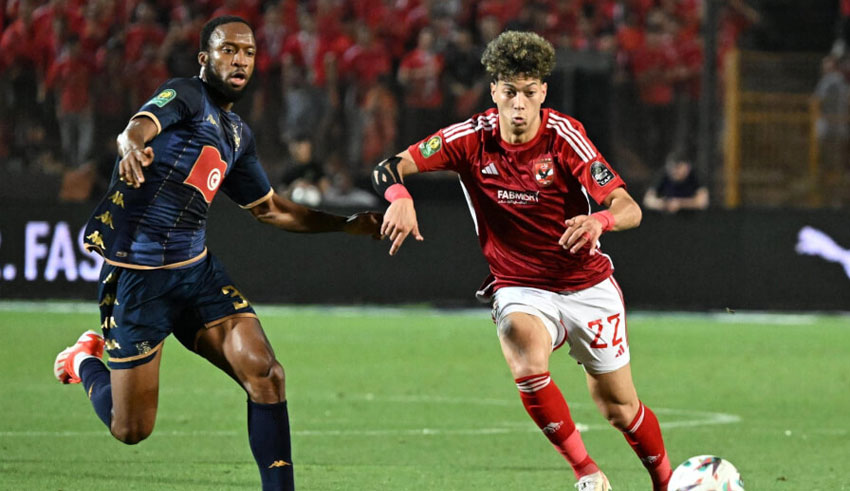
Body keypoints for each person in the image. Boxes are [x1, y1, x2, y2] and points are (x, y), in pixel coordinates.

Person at [53, 16, 381, 491]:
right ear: (205, 58)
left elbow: (270, 208)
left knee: (266, 374)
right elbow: (137, 127)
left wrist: (343, 224)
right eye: (229, 50)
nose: (240, 60)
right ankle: (83, 361)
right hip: (140, 279)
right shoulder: (187, 95)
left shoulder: (237, 135)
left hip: (196, 274)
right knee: (131, 429)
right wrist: (132, 147)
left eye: (248, 52)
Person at [373, 31, 671, 491]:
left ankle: (666, 482)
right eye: (509, 91)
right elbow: (388, 166)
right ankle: (588, 473)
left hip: (585, 285)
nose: (519, 103)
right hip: (520, 285)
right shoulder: (469, 139)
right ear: (493, 90)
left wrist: (600, 222)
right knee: (520, 342)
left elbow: (628, 207)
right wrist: (399, 196)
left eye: (529, 92)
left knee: (619, 408)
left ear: (543, 92)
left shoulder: (565, 137)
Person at [643, 153, 709, 213]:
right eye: (673, 168)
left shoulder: (696, 176)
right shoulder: (663, 175)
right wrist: (665, 204)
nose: (675, 171)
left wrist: (680, 203)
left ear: (687, 167)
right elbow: (648, 200)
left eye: (679, 168)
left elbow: (702, 202)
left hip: (692, 218)